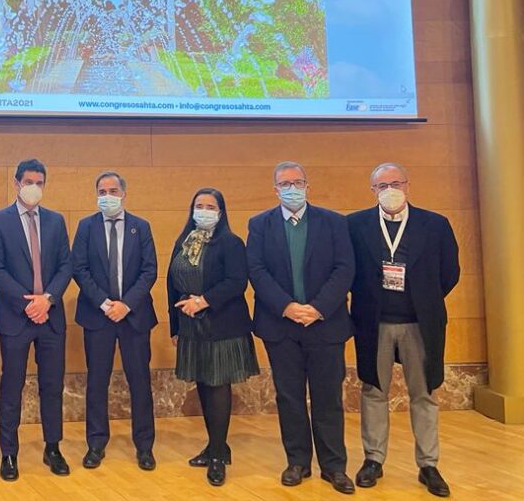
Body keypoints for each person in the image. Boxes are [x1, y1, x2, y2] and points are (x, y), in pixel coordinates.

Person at [348, 163, 460, 498]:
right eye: (382, 185)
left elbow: (450, 272)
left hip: (419, 323)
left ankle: (428, 464)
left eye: (396, 183)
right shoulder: (354, 225)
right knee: (373, 391)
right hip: (374, 323)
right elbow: (348, 270)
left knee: (423, 393)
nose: (390, 189)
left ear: (408, 185)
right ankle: (373, 459)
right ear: (373, 190)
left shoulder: (436, 224)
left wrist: (423, 298)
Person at [246, 161, 356, 495]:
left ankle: (334, 467)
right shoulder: (260, 224)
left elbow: (344, 268)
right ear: (275, 189)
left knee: (328, 398)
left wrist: (318, 308)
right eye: (285, 183)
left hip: (325, 323)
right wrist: (288, 307)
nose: (292, 188)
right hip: (281, 326)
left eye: (298, 182)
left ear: (308, 186)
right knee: (289, 397)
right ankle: (297, 462)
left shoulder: (334, 222)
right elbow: (257, 270)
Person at [0, 158, 73, 482]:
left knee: (52, 386)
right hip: (15, 317)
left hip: (51, 317)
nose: (34, 188)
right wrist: (28, 304)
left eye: (39, 182)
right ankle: (8, 453)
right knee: (12, 386)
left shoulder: (55, 220)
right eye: (29, 181)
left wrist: (47, 299)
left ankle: (53, 448)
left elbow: (67, 265)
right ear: (17, 183)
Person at [167, 187, 259, 486]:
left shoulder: (231, 243)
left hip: (222, 325)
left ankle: (219, 455)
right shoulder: (184, 241)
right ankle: (214, 444)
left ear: (220, 212)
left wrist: (203, 300)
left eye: (210, 206)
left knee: (218, 384)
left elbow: (236, 281)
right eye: (199, 205)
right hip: (191, 327)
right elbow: (171, 284)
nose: (204, 210)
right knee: (204, 384)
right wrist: (175, 327)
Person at [72, 171, 158, 472]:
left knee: (140, 382)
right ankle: (95, 444)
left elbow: (150, 271)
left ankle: (144, 446)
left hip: (134, 317)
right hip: (98, 316)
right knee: (97, 382)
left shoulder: (141, 227)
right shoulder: (86, 227)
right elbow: (79, 269)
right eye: (101, 190)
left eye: (112, 190)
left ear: (124, 193)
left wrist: (126, 304)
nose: (106, 195)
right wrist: (105, 303)